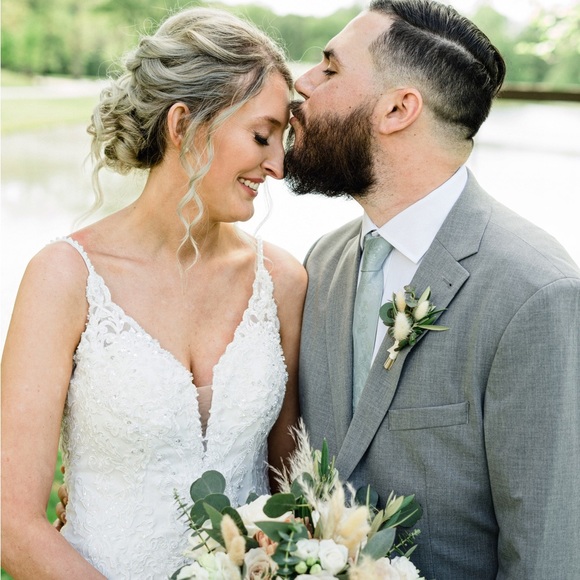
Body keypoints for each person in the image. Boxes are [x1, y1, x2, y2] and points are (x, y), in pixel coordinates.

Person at [1, 7, 306, 579]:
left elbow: (288, 494)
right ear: (183, 124)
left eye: (283, 140)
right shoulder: (65, 278)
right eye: (262, 136)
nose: (278, 165)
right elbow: (11, 524)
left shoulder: (284, 283)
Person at [286, 0, 580, 578]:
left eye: (330, 68)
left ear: (398, 109)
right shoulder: (321, 261)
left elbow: (548, 551)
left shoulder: (536, 293)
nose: (304, 82)